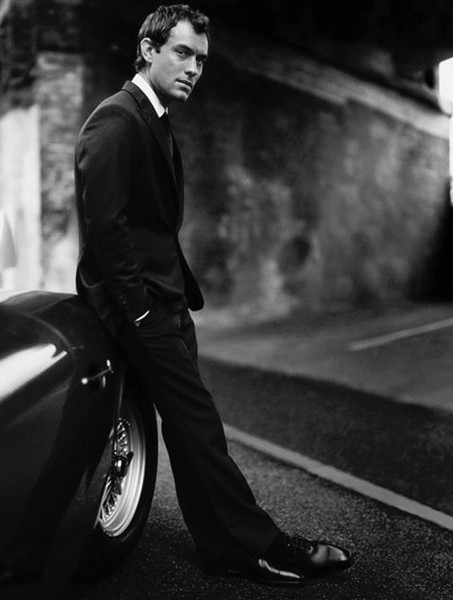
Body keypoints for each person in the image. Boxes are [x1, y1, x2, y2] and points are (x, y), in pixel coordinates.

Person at [74, 3, 353, 587]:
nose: (193, 69)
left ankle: (223, 546)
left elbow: (149, 225)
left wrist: (171, 298)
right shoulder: (115, 120)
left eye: (200, 60)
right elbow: (105, 229)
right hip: (141, 310)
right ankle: (259, 547)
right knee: (197, 426)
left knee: (191, 431)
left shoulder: (153, 116)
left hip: (165, 301)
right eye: (182, 53)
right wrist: (142, 312)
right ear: (148, 50)